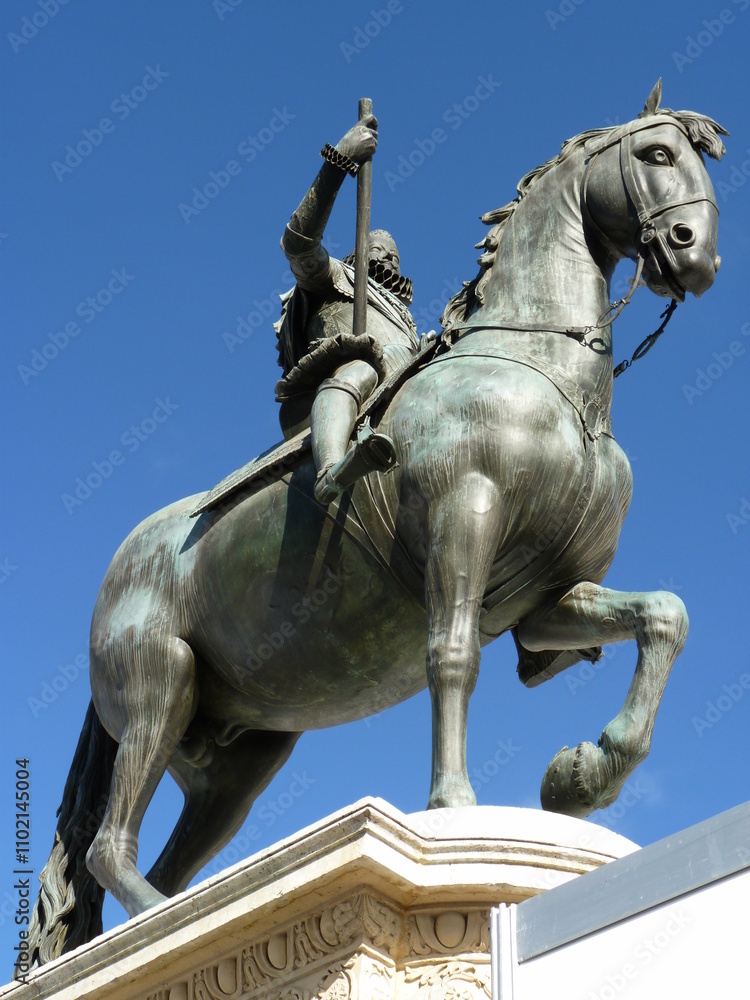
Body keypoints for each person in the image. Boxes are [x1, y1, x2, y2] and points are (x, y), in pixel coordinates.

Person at [274, 114, 419, 504]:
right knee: (362, 368)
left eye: (393, 257)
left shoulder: (407, 322)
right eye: (377, 252)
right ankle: (331, 469)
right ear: (355, 255)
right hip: (351, 376)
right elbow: (297, 244)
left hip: (401, 385)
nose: (387, 259)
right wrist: (339, 161)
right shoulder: (335, 276)